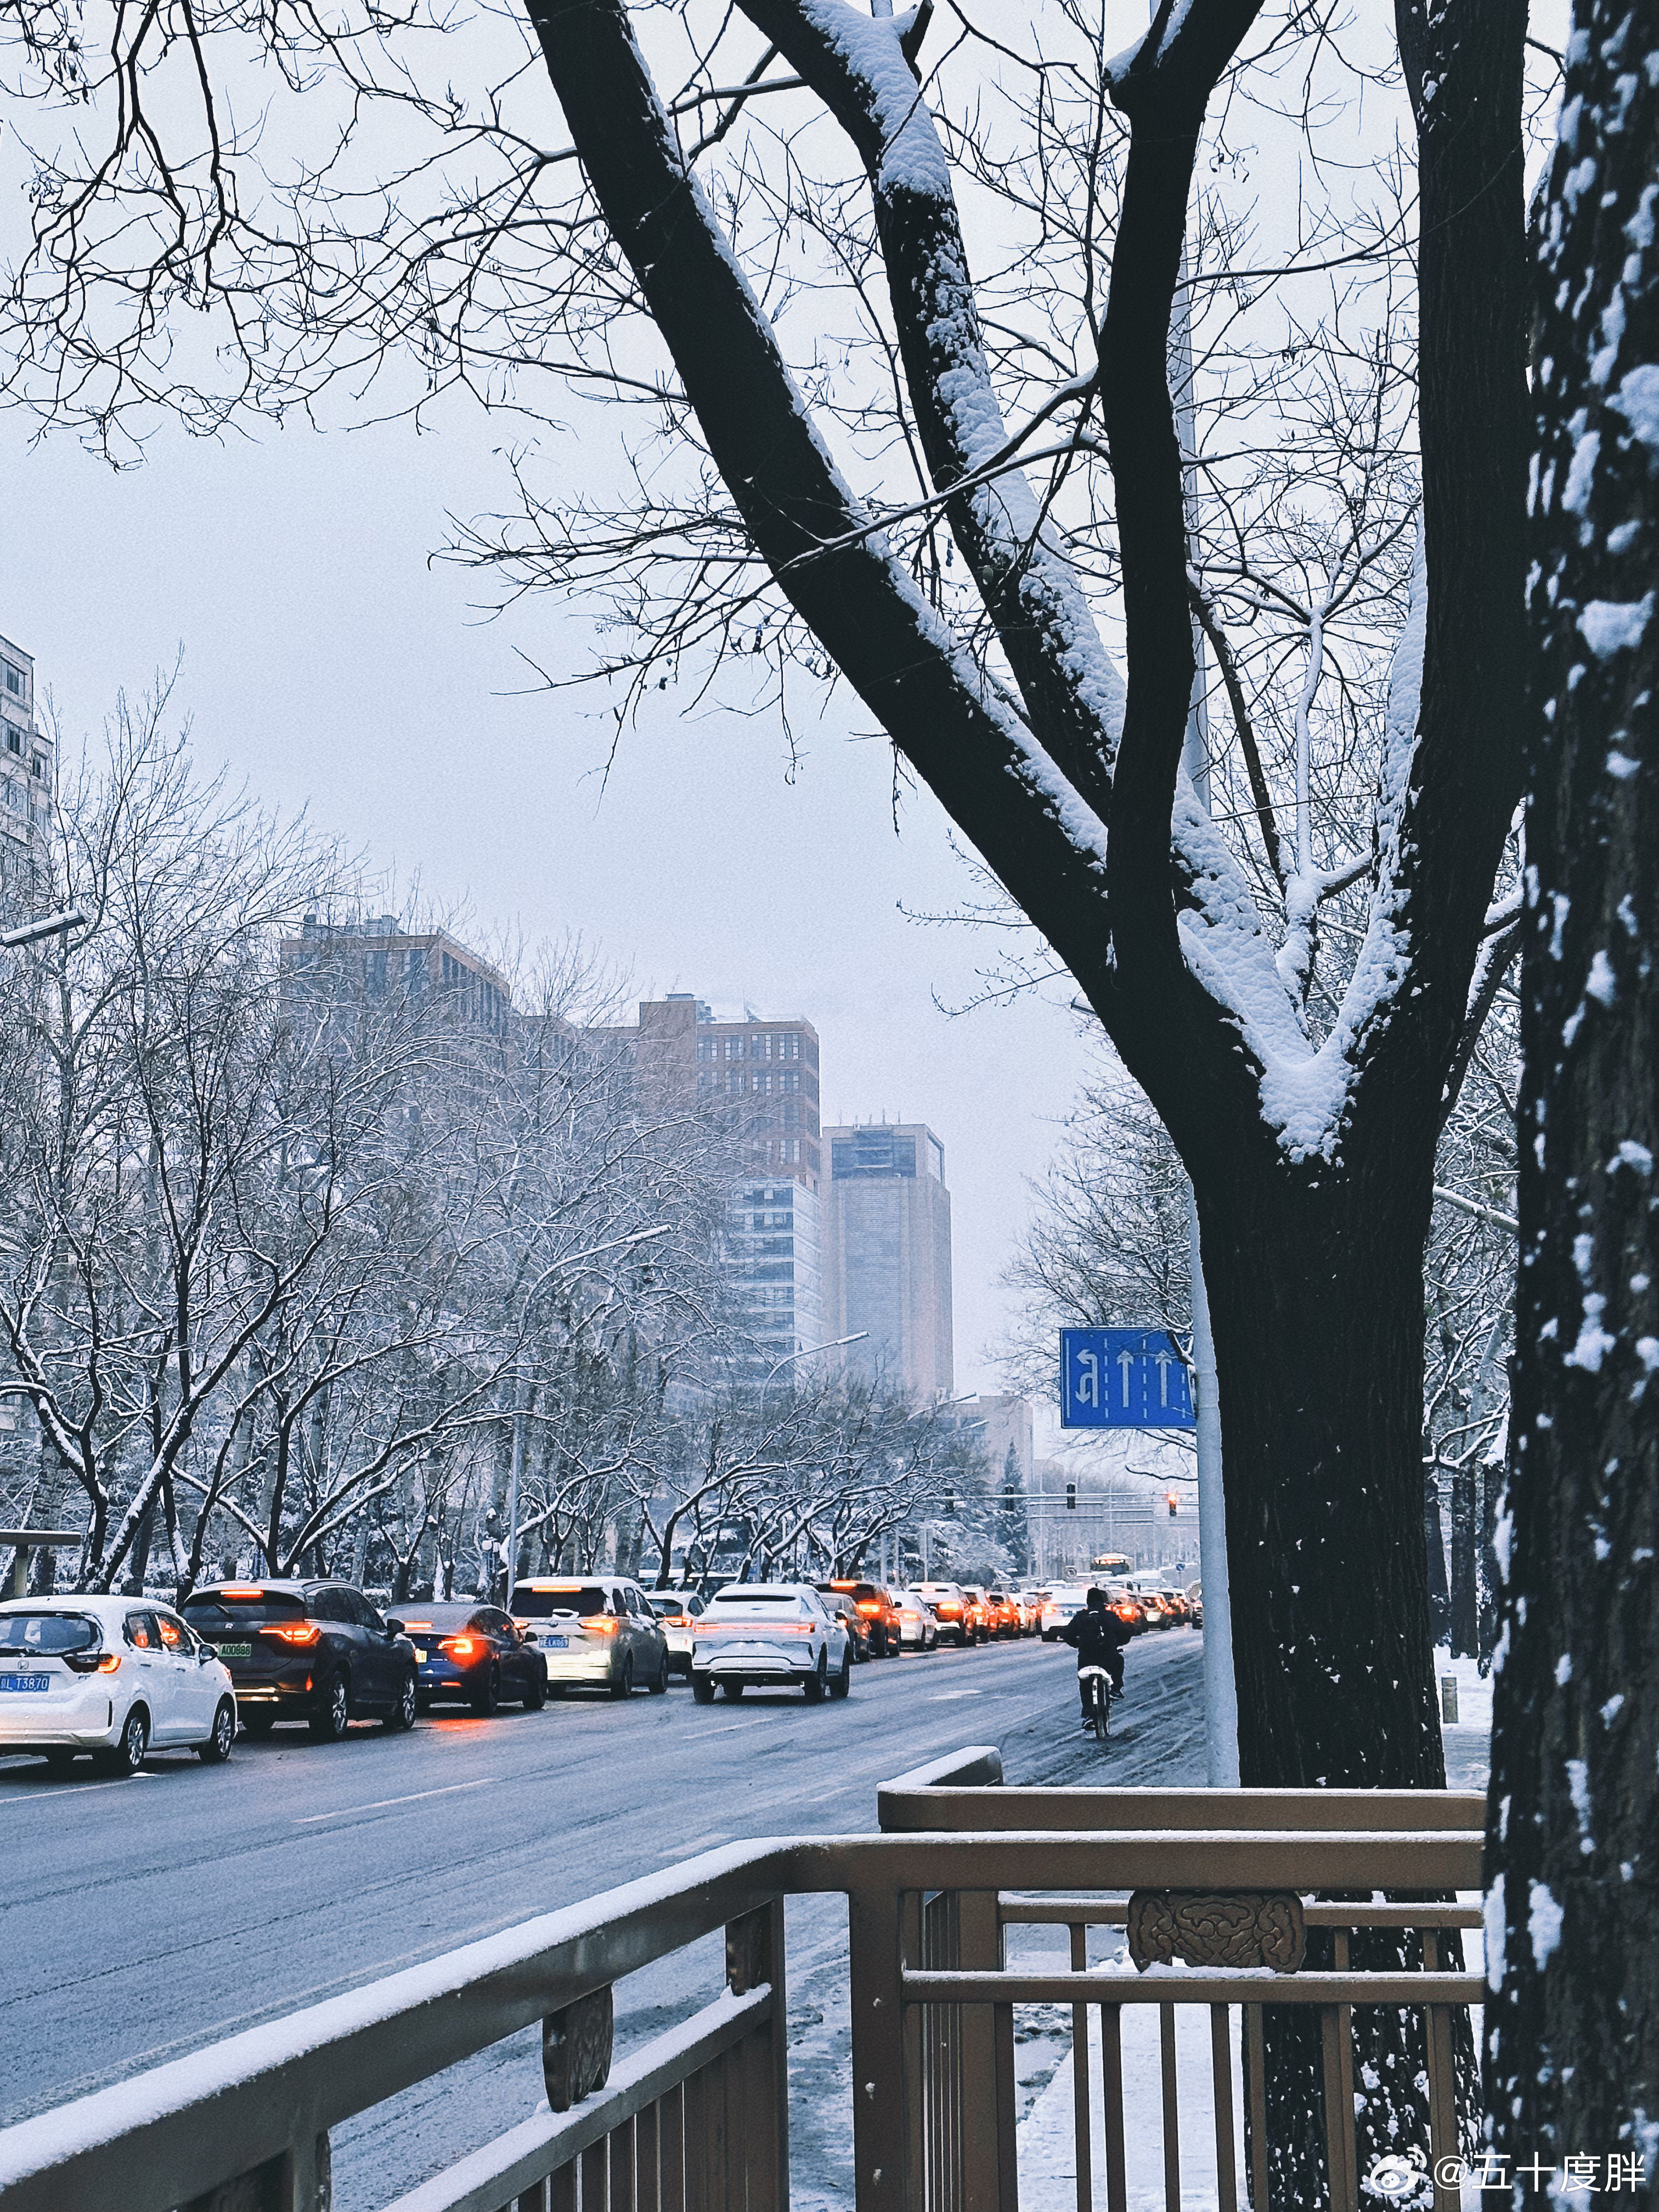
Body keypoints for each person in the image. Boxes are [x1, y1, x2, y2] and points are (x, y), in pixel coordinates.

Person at [1060, 1588, 1131, 1728]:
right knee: (1119, 1661)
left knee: (1085, 1685)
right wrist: (1116, 1644)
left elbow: (1068, 1634)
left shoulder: (1081, 1616)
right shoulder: (1110, 1616)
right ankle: (1116, 1689)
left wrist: (1079, 1645)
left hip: (1087, 1659)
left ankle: (1088, 1714)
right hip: (1108, 1658)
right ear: (1103, 1601)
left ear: (1088, 1602)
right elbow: (1123, 1633)